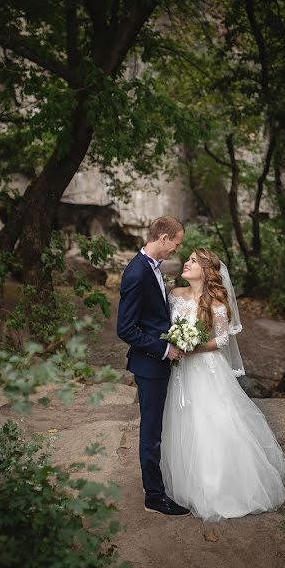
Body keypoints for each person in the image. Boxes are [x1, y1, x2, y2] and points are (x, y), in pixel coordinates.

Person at [161, 248, 285, 521]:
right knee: (185, 422)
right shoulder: (174, 295)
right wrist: (175, 343)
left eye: (193, 261)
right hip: (180, 371)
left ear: (207, 271)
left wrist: (192, 346)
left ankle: (224, 486)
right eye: (188, 259)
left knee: (215, 421)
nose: (186, 262)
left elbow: (221, 340)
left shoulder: (216, 303)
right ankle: (190, 484)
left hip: (206, 370)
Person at [116, 216, 191, 517]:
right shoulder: (136, 273)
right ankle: (154, 497)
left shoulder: (153, 268)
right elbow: (125, 328)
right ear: (163, 238)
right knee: (151, 432)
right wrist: (164, 349)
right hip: (150, 365)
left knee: (157, 427)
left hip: (156, 364)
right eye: (176, 242)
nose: (176, 248)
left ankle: (160, 486)